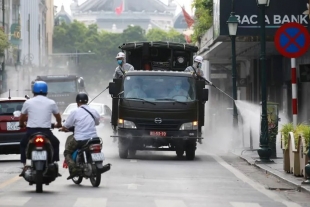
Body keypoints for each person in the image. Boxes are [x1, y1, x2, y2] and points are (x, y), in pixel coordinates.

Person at [19, 81, 62, 176]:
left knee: (23, 144)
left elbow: (22, 117)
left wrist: (21, 124)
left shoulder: (28, 102)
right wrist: (59, 124)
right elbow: (58, 117)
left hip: (31, 132)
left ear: (33, 91)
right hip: (46, 132)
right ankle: (53, 163)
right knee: (56, 143)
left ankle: (25, 165)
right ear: (46, 91)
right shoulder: (51, 102)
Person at [61, 92, 100, 180]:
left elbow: (66, 125)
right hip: (94, 138)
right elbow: (97, 122)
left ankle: (74, 169)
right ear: (87, 101)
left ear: (77, 102)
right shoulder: (93, 111)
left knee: (67, 152)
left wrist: (63, 128)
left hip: (80, 139)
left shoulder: (75, 112)